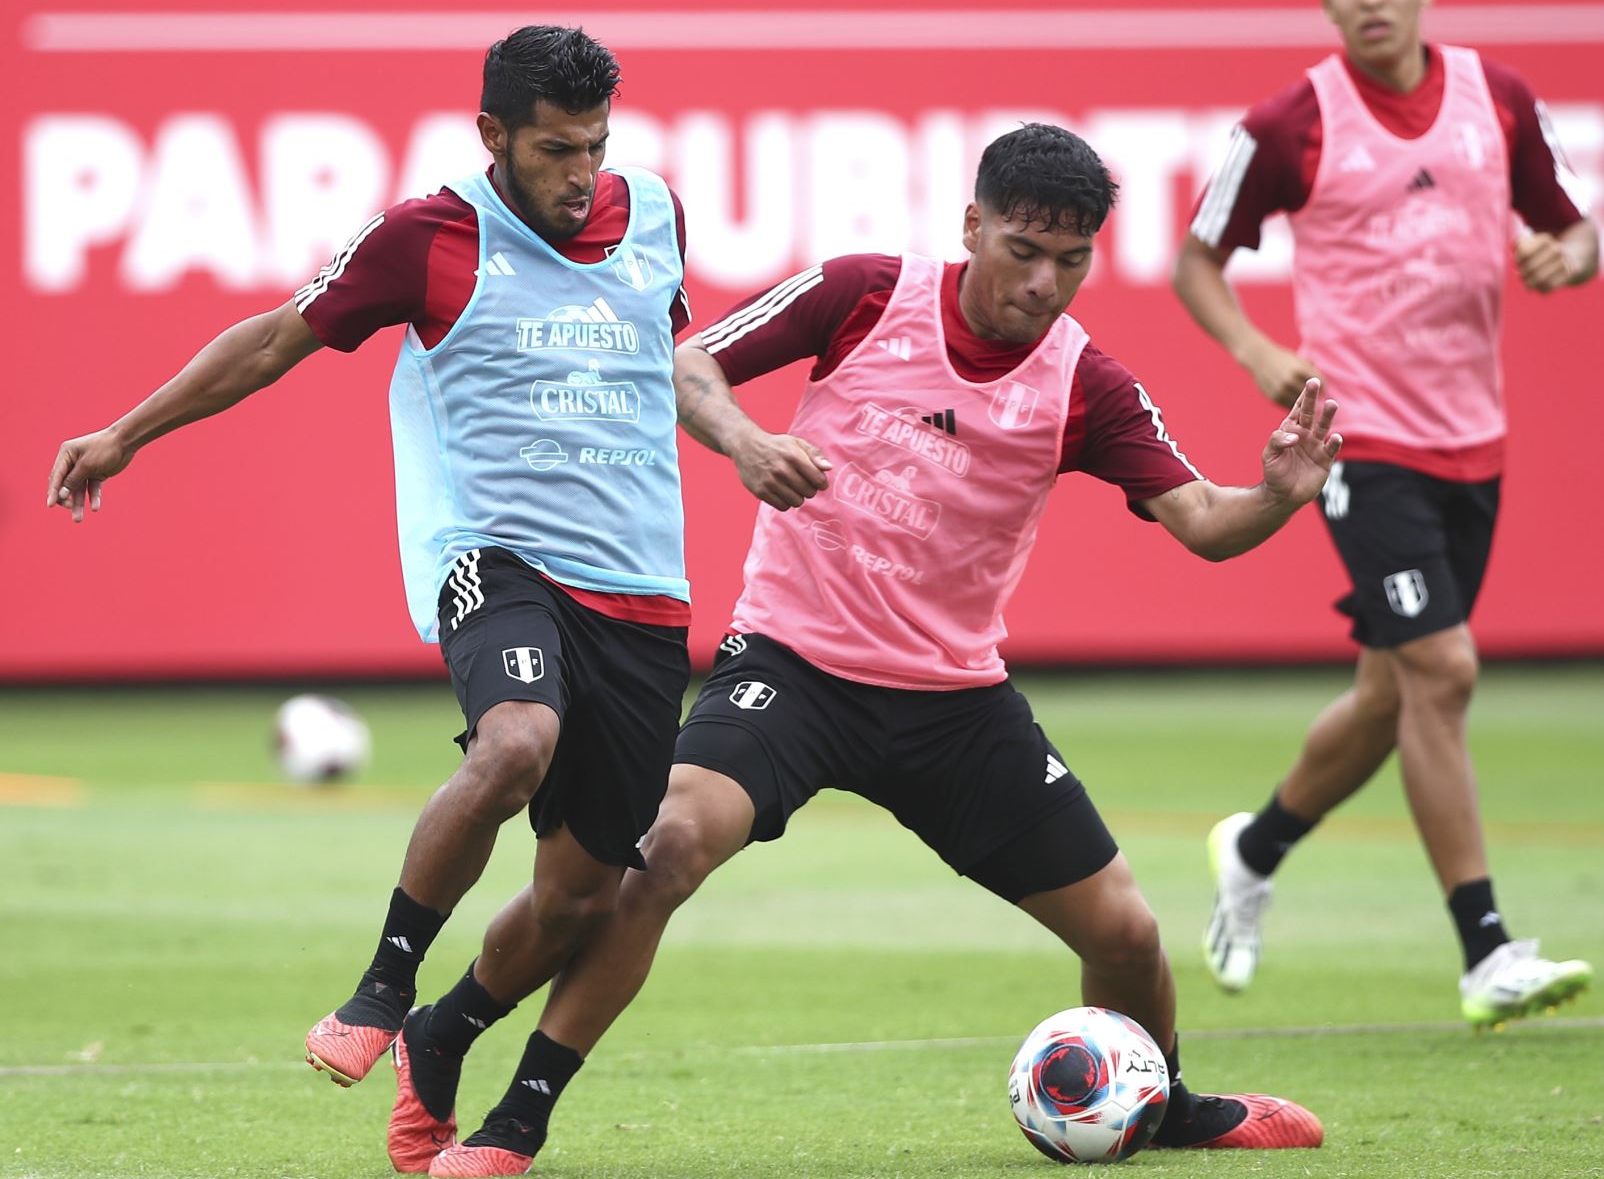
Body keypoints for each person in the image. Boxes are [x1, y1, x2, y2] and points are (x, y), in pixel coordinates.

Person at [403, 123, 1334, 1179]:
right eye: (1023, 250)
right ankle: (516, 1119)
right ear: (972, 225)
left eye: (1070, 263)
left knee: (1124, 933)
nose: (1042, 283)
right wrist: (748, 442)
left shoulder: (1085, 383)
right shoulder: (863, 294)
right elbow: (683, 358)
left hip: (953, 703)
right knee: (660, 853)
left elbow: (1207, 522)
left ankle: (1162, 1102)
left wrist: (1279, 498)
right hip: (791, 670)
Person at [45, 25, 696, 1144]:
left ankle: (442, 1032)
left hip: (642, 592)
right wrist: (128, 432)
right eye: (552, 150)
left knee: (581, 899)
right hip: (491, 557)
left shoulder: (656, 215)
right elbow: (271, 341)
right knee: (516, 741)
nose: (579, 174)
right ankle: (383, 989)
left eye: (593, 146)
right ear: (492, 134)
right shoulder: (426, 236)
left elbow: (674, 363)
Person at [1171, 0, 1598, 1028]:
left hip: (1474, 445)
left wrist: (1563, 257)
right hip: (1361, 443)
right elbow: (1195, 260)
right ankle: (1487, 950)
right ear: (1326, 1)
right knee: (1444, 672)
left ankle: (1254, 848)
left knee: (1391, 696)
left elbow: (1578, 232)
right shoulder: (1291, 123)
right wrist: (1260, 351)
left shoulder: (1497, 99)